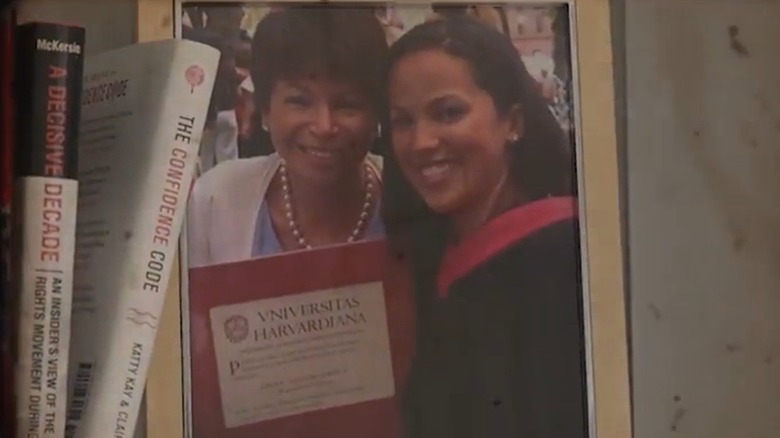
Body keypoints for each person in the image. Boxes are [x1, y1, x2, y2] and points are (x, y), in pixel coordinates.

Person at [381, 16, 587, 438]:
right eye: (403, 120)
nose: (421, 142)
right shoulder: (437, 253)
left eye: (449, 113)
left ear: (514, 121)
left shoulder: (560, 261)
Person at [187, 7, 389, 267]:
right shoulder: (216, 201)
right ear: (266, 110)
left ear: (376, 114)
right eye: (300, 102)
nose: (324, 126)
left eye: (347, 104)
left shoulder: (415, 204)